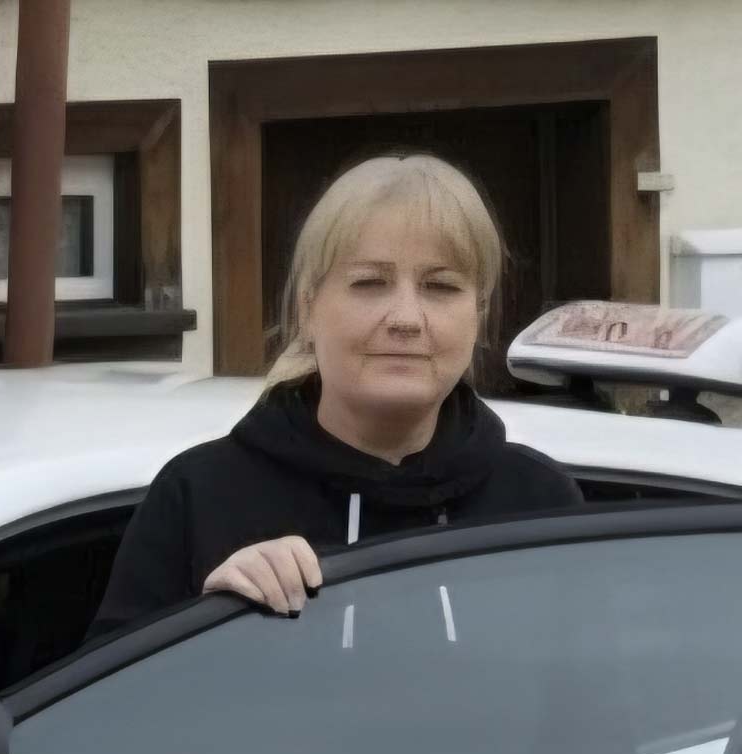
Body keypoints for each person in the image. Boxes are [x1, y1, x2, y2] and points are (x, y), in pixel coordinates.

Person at [89, 153, 583, 637]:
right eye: (369, 283)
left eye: (440, 286)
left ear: (479, 313)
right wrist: (204, 626)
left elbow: (586, 680)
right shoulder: (199, 496)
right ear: (307, 309)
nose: (406, 319)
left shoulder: (539, 501)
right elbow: (116, 688)